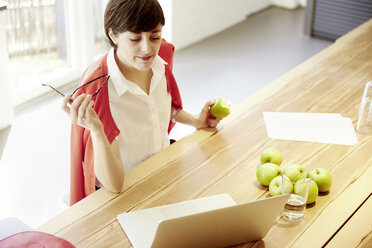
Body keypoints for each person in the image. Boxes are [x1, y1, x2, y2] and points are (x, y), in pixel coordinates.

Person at [61, 0, 223, 206]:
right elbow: (114, 184)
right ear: (113, 35)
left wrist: (195, 121)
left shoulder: (160, 57)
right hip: (128, 192)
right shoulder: (98, 90)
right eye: (135, 38)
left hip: (164, 172)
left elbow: (159, 104)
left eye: (155, 36)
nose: (147, 49)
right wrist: (96, 130)